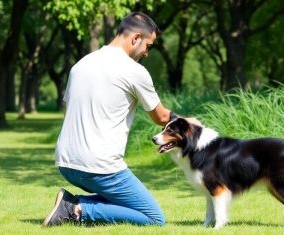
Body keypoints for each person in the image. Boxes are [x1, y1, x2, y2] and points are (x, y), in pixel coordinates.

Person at [43, 12, 194, 227]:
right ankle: (76, 209)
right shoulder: (134, 71)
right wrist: (188, 122)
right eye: (148, 46)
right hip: (98, 167)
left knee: (130, 203)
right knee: (154, 217)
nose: (147, 53)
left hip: (65, 163)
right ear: (135, 39)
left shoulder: (81, 65)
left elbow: (68, 111)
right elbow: (161, 117)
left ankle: (71, 203)